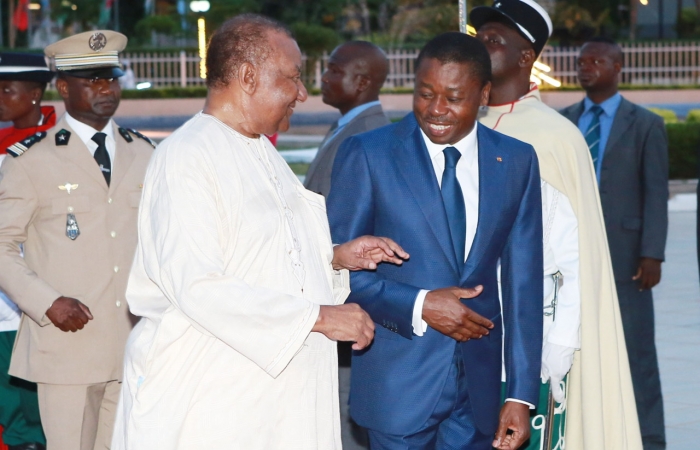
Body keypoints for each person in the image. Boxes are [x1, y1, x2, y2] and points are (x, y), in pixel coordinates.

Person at [111, 14, 408, 449]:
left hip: (266, 397)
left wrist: (336, 257)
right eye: (292, 78)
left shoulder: (260, 152)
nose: (303, 93)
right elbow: (198, 284)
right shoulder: (188, 157)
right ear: (248, 77)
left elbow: (260, 255)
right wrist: (320, 317)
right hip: (213, 400)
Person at [328, 32, 543, 450]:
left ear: (484, 94)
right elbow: (334, 270)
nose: (436, 110)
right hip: (398, 390)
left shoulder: (516, 160)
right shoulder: (369, 154)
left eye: (453, 97)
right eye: (425, 94)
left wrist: (519, 394)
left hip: (479, 396)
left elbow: (524, 285)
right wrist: (420, 304)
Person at [472, 2, 644, 450]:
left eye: (493, 40)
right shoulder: (459, 124)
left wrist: (553, 354)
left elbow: (569, 259)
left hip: (533, 339)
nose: (479, 47)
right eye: (477, 37)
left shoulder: (553, 136)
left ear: (526, 57)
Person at [0, 31, 156, 450]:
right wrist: (46, 301)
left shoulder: (145, 153)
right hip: (67, 343)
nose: (105, 89)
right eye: (92, 80)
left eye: (111, 78)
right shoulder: (31, 160)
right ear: (65, 87)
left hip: (133, 342)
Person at [560, 37, 669, 450]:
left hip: (627, 260)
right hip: (575, 257)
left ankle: (650, 440)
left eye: (597, 61)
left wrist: (652, 252)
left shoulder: (646, 124)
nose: (586, 67)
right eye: (581, 61)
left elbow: (655, 192)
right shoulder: (565, 120)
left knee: (638, 357)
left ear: (618, 67)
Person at [0, 52, 55, 450]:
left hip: (36, 298)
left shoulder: (58, 145)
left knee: (35, 409)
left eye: (6, 89)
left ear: (35, 93)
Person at [304, 41, 390, 197]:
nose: (325, 78)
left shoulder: (370, 134)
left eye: (334, 71)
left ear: (362, 83)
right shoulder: (346, 126)